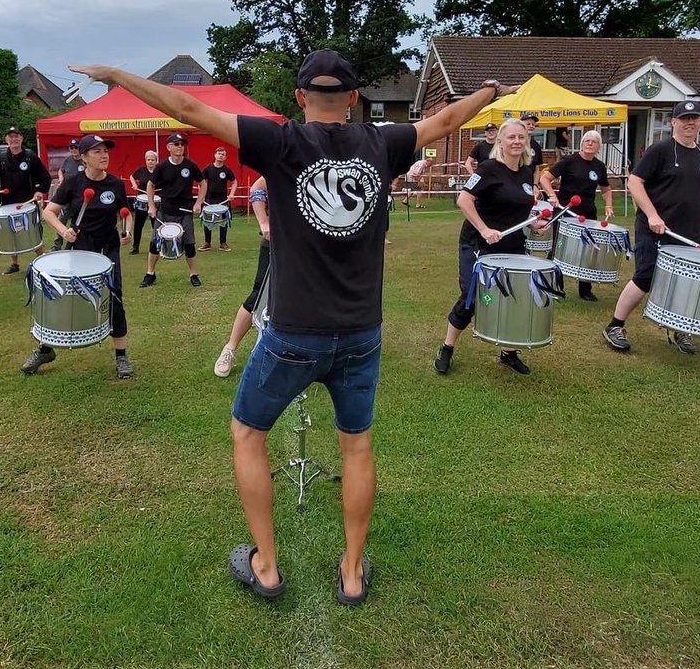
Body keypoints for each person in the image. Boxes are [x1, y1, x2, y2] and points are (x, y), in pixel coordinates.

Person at [69, 50, 517, 606]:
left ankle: (267, 566)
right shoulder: (382, 143)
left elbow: (185, 107)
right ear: (354, 99)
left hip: (293, 334)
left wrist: (114, 74)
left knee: (247, 432)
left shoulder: (281, 141)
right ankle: (352, 573)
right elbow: (449, 119)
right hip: (360, 333)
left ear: (300, 97)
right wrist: (490, 92)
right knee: (357, 447)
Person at [603, 100, 700, 355]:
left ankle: (680, 330)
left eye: (695, 118)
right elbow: (635, 182)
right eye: (684, 118)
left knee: (686, 281)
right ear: (673, 122)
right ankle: (615, 326)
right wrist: (653, 215)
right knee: (645, 277)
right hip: (654, 229)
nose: (690, 122)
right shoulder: (661, 150)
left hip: (688, 233)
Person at [434, 119, 545, 377]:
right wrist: (484, 229)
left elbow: (521, 208)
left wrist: (534, 223)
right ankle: (447, 348)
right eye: (511, 137)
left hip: (512, 245)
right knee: (471, 298)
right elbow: (464, 199)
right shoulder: (488, 169)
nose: (517, 141)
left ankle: (508, 353)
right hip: (477, 243)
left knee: (512, 297)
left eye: (521, 137)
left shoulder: (527, 172)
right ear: (500, 141)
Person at [21, 134, 135, 378]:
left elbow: (126, 213)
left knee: (114, 298)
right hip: (80, 248)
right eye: (97, 152)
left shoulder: (115, 184)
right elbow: (49, 212)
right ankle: (45, 349)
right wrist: (64, 231)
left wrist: (128, 232)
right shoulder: (73, 183)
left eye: (105, 150)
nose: (104, 155)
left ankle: (121, 356)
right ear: (83, 158)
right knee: (64, 297)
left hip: (108, 249)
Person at [538, 129, 615, 301]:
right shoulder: (569, 161)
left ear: (598, 147)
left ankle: (585, 290)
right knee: (558, 249)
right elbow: (545, 179)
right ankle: (556, 287)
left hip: (588, 213)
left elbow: (606, 188)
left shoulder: (599, 166)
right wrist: (552, 195)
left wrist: (609, 205)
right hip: (565, 210)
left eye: (593, 141)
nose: (589, 143)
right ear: (581, 144)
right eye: (586, 140)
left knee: (588, 250)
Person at [214, 176, 269, 378]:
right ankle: (229, 349)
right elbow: (256, 189)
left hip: (313, 248)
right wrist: (264, 223)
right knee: (258, 294)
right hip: (277, 241)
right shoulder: (291, 157)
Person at [141, 133, 203, 288]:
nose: (180, 147)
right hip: (165, 211)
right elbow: (150, 185)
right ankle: (150, 274)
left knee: (189, 245)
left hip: (185, 212)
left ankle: (193, 274)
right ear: (168, 147)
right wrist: (151, 205)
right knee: (155, 244)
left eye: (182, 144)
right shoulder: (161, 166)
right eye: (176, 144)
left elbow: (203, 183)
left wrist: (198, 203)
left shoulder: (190, 165)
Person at [0, 126, 51, 274]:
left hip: (28, 203)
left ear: (21, 139)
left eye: (17, 136)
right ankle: (14, 265)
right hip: (8, 203)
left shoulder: (30, 157)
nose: (14, 139)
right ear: (6, 140)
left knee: (32, 231)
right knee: (10, 234)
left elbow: (44, 177)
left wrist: (39, 191)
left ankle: (43, 261)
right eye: (11, 137)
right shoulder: (1, 159)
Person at [200, 146, 239, 251]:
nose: (221, 156)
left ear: (225, 157)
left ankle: (223, 243)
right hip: (209, 199)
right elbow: (201, 182)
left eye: (223, 154)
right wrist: (201, 196)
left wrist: (232, 194)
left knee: (224, 221)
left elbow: (234, 182)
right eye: (219, 153)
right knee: (207, 221)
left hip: (222, 199)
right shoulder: (208, 169)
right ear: (215, 155)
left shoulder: (227, 170)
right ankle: (207, 243)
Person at [127, 150, 158, 254]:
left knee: (156, 226)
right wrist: (134, 184)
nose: (150, 162)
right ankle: (135, 247)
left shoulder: (159, 171)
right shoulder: (141, 170)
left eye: (152, 160)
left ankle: (156, 246)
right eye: (148, 160)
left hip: (155, 202)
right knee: (138, 225)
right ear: (145, 160)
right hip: (142, 200)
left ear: (156, 161)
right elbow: (132, 176)